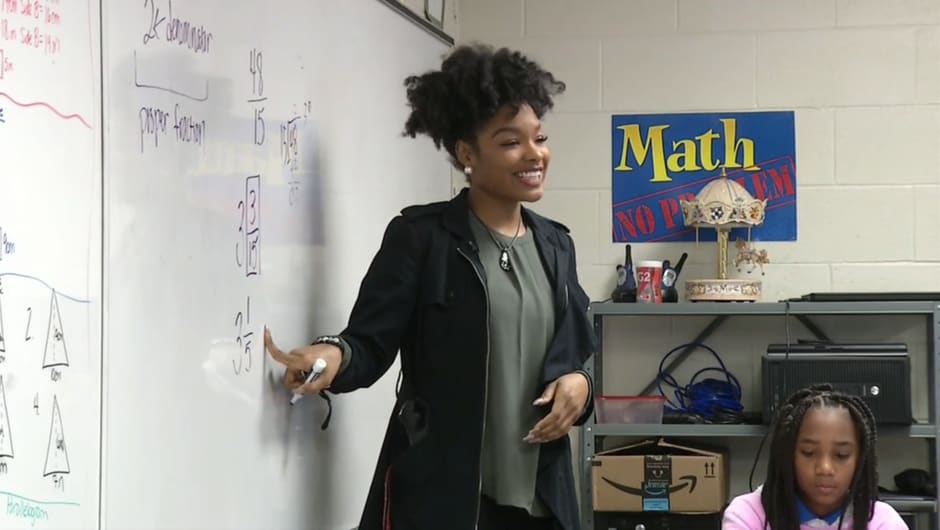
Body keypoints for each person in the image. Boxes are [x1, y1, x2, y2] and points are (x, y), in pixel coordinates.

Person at [264, 43, 596, 530]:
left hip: (540, 498)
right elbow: (369, 341)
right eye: (510, 142)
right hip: (446, 497)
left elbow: (575, 353)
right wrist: (331, 355)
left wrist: (580, 386)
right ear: (467, 153)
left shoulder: (555, 245)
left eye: (539, 138)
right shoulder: (422, 239)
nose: (535, 155)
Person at [722, 384, 908, 530]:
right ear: (788, 454)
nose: (825, 468)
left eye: (841, 455)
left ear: (860, 460)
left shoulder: (883, 523)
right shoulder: (748, 515)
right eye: (808, 453)